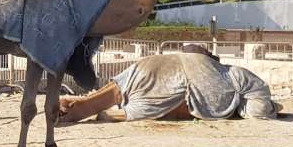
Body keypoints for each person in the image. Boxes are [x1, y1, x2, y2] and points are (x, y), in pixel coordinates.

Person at [59, 45, 279, 123]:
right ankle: (82, 105)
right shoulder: (145, 68)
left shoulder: (238, 77)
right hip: (164, 69)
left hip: (219, 79)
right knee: (124, 86)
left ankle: (82, 106)